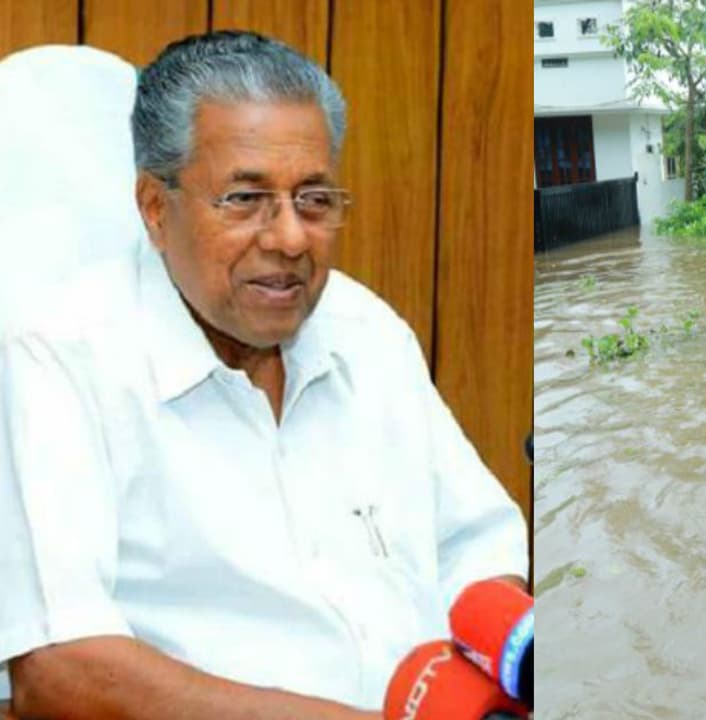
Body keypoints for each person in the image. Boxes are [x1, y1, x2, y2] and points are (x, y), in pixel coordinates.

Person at [0, 31, 527, 719]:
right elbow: (60, 666)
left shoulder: (366, 331)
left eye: (314, 199)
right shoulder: (62, 356)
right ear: (156, 210)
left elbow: (477, 546)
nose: (289, 238)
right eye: (245, 200)